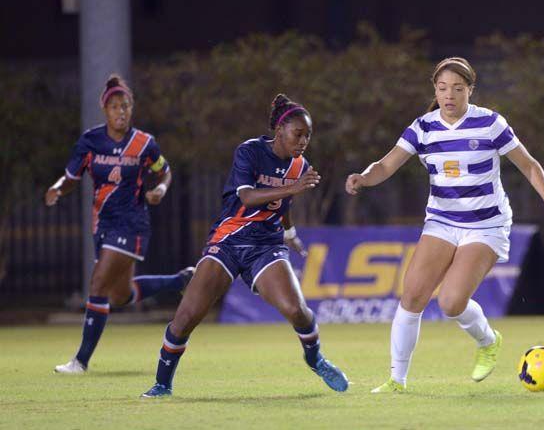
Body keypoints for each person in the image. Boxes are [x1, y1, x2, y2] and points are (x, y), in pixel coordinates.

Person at [345, 57, 544, 393]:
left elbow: (529, 165)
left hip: (486, 225)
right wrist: (364, 178)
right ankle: (397, 380)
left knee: (451, 303)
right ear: (434, 90)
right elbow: (386, 164)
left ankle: (488, 340)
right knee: (412, 296)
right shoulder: (423, 127)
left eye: (457, 88)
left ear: (470, 90)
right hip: (441, 221)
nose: (449, 95)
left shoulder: (490, 124)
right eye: (442, 88)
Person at [141, 94, 348, 398]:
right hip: (229, 240)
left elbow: (282, 203)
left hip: (266, 245)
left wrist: (289, 233)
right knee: (186, 317)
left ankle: (315, 358)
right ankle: (162, 384)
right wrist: (292, 187)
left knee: (297, 310)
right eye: (298, 134)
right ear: (280, 130)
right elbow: (248, 197)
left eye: (308, 135)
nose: (304, 141)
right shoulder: (249, 151)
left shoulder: (300, 166)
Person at [46, 74, 194, 374]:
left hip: (132, 224)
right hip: (102, 224)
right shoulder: (90, 141)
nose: (121, 111)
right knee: (120, 295)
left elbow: (165, 171)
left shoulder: (144, 143)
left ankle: (80, 361)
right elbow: (72, 177)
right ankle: (181, 280)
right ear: (105, 109)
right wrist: (58, 188)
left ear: (131, 109)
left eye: (126, 105)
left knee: (98, 284)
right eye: (115, 106)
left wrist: (162, 189)